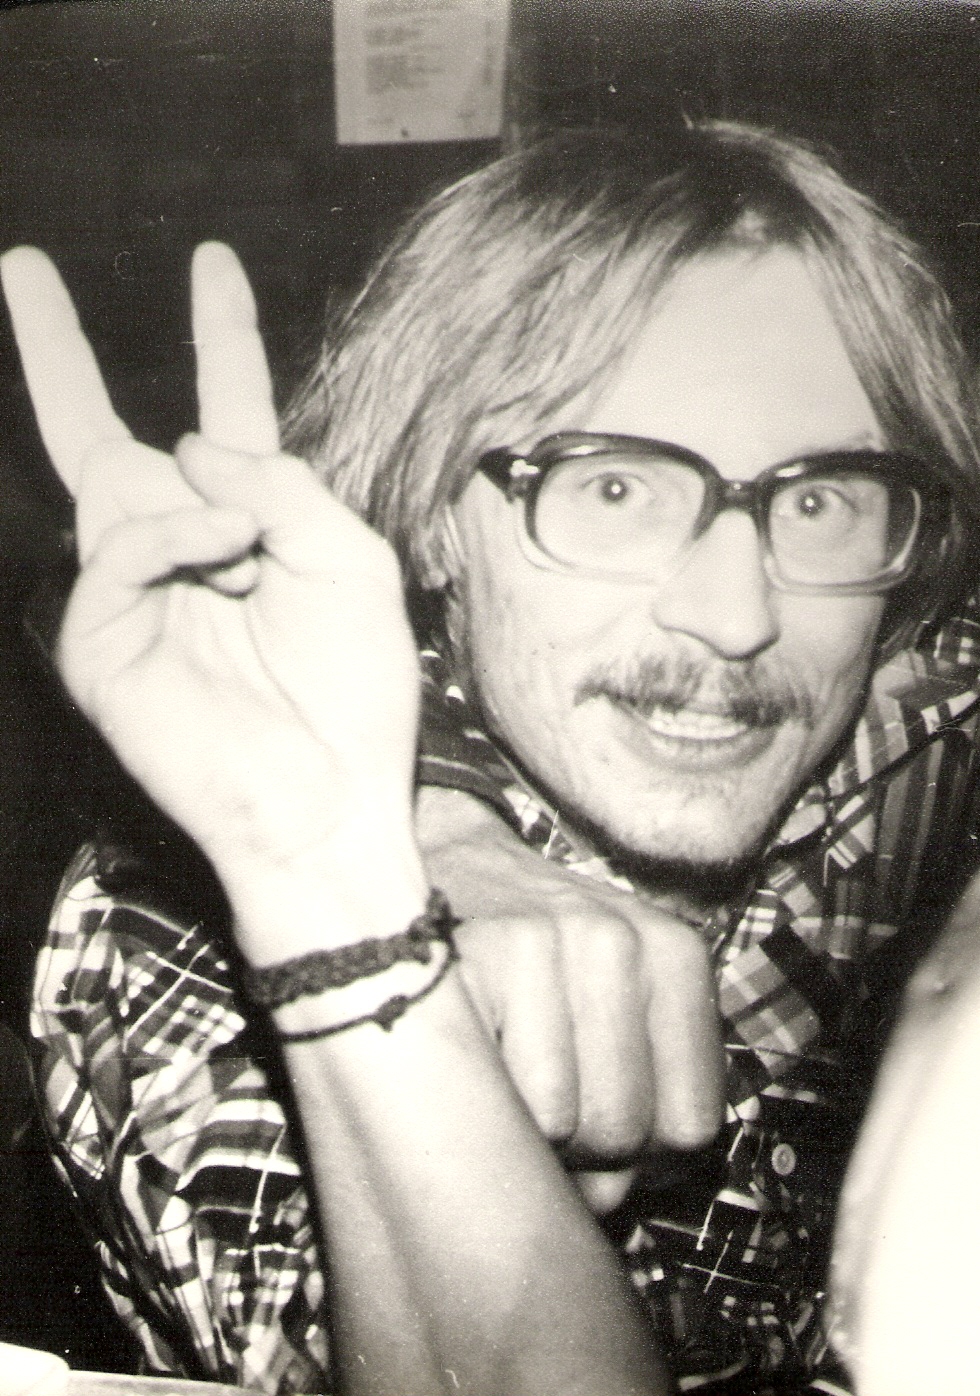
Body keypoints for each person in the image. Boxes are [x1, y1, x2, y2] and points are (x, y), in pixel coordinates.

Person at [4, 119, 980, 1395]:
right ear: (431, 520)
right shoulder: (178, 947)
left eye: (816, 498)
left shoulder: (910, 730)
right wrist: (352, 900)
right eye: (613, 489)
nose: (737, 615)